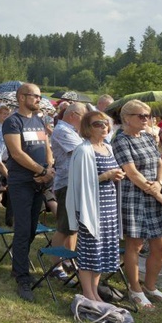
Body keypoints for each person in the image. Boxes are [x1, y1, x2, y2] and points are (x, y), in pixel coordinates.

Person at [113, 100, 162, 309]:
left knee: (160, 246)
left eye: (148, 115)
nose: (146, 119)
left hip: (155, 193)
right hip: (134, 197)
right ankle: (135, 289)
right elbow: (132, 173)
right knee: (135, 245)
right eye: (141, 116)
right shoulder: (121, 141)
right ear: (127, 118)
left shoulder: (148, 137)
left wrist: (160, 184)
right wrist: (159, 195)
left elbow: (160, 164)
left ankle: (150, 286)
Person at [2, 83, 55, 302]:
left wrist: (49, 169)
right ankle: (22, 276)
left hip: (40, 181)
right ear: (22, 97)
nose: (39, 100)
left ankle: (19, 264)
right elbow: (16, 153)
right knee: (23, 229)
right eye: (36, 96)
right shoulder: (12, 122)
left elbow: (47, 145)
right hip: (22, 182)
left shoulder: (39, 120)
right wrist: (41, 170)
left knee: (32, 229)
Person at [65, 111, 125, 302]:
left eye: (106, 124)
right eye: (98, 124)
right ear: (87, 128)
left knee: (100, 252)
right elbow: (79, 183)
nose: (104, 127)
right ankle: (87, 293)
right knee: (89, 252)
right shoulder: (83, 150)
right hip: (91, 207)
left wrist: (116, 175)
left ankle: (95, 290)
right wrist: (106, 176)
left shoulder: (108, 147)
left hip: (108, 207)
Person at [49, 102, 87, 280]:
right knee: (64, 227)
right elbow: (82, 152)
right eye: (83, 118)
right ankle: (55, 266)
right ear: (73, 115)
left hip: (76, 183)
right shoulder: (62, 130)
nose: (85, 122)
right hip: (66, 183)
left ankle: (68, 260)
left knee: (74, 227)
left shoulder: (72, 130)